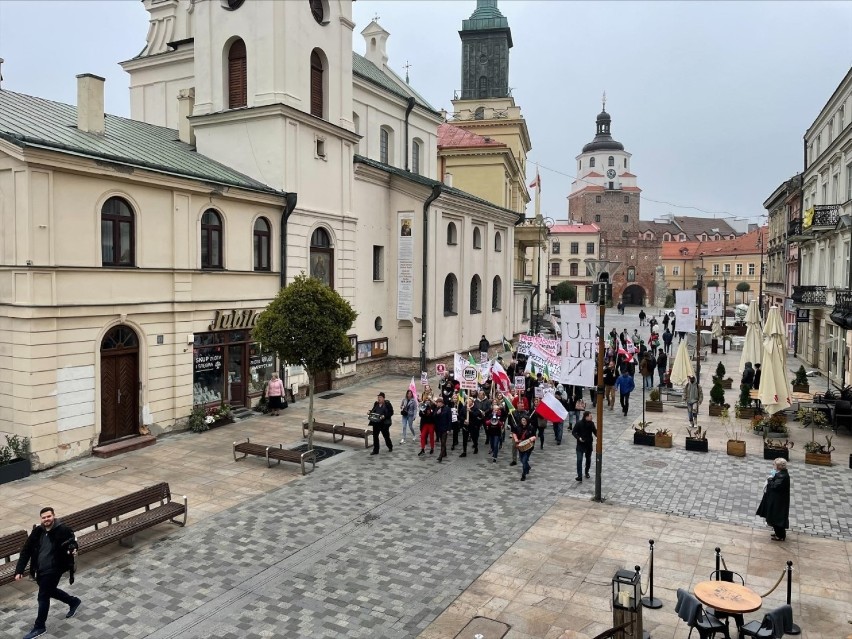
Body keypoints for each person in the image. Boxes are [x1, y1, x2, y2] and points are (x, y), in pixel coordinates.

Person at [15, 507, 81, 639]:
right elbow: (26, 550)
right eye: (44, 517)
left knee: (43, 596)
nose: (46, 519)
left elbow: (72, 543)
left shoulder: (63, 529)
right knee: (49, 591)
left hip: (54, 568)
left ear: (54, 516)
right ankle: (73, 601)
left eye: (48, 516)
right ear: (41, 519)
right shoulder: (38, 531)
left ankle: (40, 626)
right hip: (39, 569)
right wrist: (19, 570)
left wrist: (72, 550)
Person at [756, 458, 791, 541]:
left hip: (778, 501)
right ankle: (779, 533)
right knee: (775, 517)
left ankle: (780, 535)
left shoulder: (782, 476)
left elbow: (775, 486)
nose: (773, 466)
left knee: (776, 518)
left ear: (778, 466)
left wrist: (770, 479)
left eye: (774, 464)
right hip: (776, 500)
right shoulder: (781, 474)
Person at [572, 411, 596, 482]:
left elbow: (595, 432)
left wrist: (598, 436)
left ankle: (586, 472)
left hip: (588, 444)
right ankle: (579, 476)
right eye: (590, 416)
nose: (592, 417)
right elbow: (574, 432)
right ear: (586, 417)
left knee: (588, 459)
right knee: (579, 460)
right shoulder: (579, 423)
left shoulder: (591, 424)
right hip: (580, 444)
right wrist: (579, 438)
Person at [511, 415, 535, 481]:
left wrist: (530, 439)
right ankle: (528, 467)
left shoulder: (531, 428)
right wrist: (515, 439)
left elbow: (534, 436)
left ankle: (523, 474)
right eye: (522, 420)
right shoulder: (518, 427)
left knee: (524, 460)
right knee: (521, 459)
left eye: (525, 420)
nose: (523, 421)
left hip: (528, 447)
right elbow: (514, 433)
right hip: (520, 446)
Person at [434, 397, 452, 463]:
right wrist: (437, 414)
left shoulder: (447, 409)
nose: (436, 404)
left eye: (437, 403)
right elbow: (434, 417)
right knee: (442, 441)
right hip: (439, 428)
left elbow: (450, 419)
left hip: (445, 428)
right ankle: (444, 453)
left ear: (441, 403)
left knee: (443, 442)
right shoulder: (437, 409)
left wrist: (449, 429)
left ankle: (440, 456)